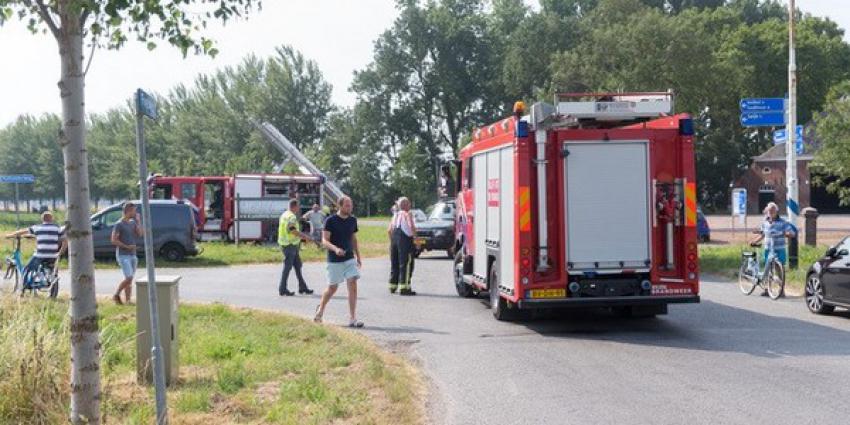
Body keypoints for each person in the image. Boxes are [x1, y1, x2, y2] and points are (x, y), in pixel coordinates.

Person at [314, 196, 364, 327]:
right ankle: (320, 310)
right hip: (334, 260)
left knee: (352, 284)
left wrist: (358, 256)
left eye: (351, 205)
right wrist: (335, 249)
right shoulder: (330, 220)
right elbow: (324, 240)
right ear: (340, 206)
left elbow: (353, 239)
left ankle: (353, 318)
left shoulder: (353, 220)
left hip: (349, 258)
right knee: (332, 288)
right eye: (347, 205)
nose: (350, 207)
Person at [7, 211, 67, 288]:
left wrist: (10, 235)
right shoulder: (57, 228)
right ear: (52, 219)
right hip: (53, 256)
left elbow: (22, 231)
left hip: (40, 255)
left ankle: (23, 288)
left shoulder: (37, 227)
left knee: (27, 269)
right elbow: (65, 241)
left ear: (42, 219)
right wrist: (60, 252)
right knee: (51, 269)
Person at [278, 198, 313, 296]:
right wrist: (305, 237)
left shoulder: (284, 214)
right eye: (298, 206)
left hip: (287, 244)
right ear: (295, 206)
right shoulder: (292, 217)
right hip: (290, 245)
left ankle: (303, 287)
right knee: (287, 267)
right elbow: (292, 230)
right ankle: (282, 288)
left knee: (298, 266)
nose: (299, 208)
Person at [111, 202, 144, 305]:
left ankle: (128, 300)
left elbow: (140, 234)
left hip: (133, 254)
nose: (136, 212)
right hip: (123, 255)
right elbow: (113, 240)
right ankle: (116, 295)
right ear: (128, 211)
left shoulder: (133, 222)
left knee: (129, 279)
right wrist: (126, 247)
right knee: (129, 277)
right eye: (134, 210)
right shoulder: (119, 224)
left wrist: (138, 221)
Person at [750, 202, 796, 266]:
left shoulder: (783, 222)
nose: (770, 212)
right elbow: (763, 235)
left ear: (776, 211)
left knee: (780, 266)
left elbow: (792, 233)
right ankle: (769, 276)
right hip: (768, 248)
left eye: (772, 211)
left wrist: (785, 234)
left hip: (780, 248)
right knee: (768, 267)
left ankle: (780, 276)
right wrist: (754, 241)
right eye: (769, 211)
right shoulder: (765, 222)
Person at [388, 197, 417, 295]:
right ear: (405, 205)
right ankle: (404, 288)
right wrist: (416, 240)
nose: (410, 205)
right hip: (405, 242)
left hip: (394, 241)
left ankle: (393, 286)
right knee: (406, 264)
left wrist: (392, 242)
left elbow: (389, 230)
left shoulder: (395, 215)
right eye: (409, 203)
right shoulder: (407, 214)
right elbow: (411, 226)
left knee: (395, 263)